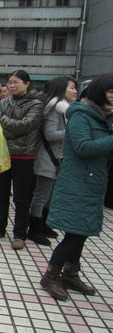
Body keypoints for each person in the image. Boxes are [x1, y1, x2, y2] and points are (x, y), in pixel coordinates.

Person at [39, 73, 113, 301]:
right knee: (75, 235)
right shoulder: (82, 115)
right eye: (111, 91)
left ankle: (70, 273)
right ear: (100, 92)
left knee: (81, 232)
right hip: (78, 182)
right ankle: (51, 275)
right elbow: (82, 147)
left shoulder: (103, 116)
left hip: (92, 181)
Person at [0, 70, 44, 250]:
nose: (11, 85)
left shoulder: (35, 104)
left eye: (15, 82)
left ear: (27, 83)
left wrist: (5, 122)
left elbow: (26, 126)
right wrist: (13, 127)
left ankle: (20, 234)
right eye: (9, 82)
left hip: (24, 156)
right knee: (2, 194)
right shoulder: (4, 102)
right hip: (3, 154)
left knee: (21, 197)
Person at [27, 77, 77, 246]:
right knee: (42, 194)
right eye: (71, 88)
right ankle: (34, 229)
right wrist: (73, 131)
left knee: (50, 194)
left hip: (57, 157)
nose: (75, 91)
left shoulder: (65, 109)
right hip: (47, 157)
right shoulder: (54, 108)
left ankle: (44, 224)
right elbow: (50, 134)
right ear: (61, 89)